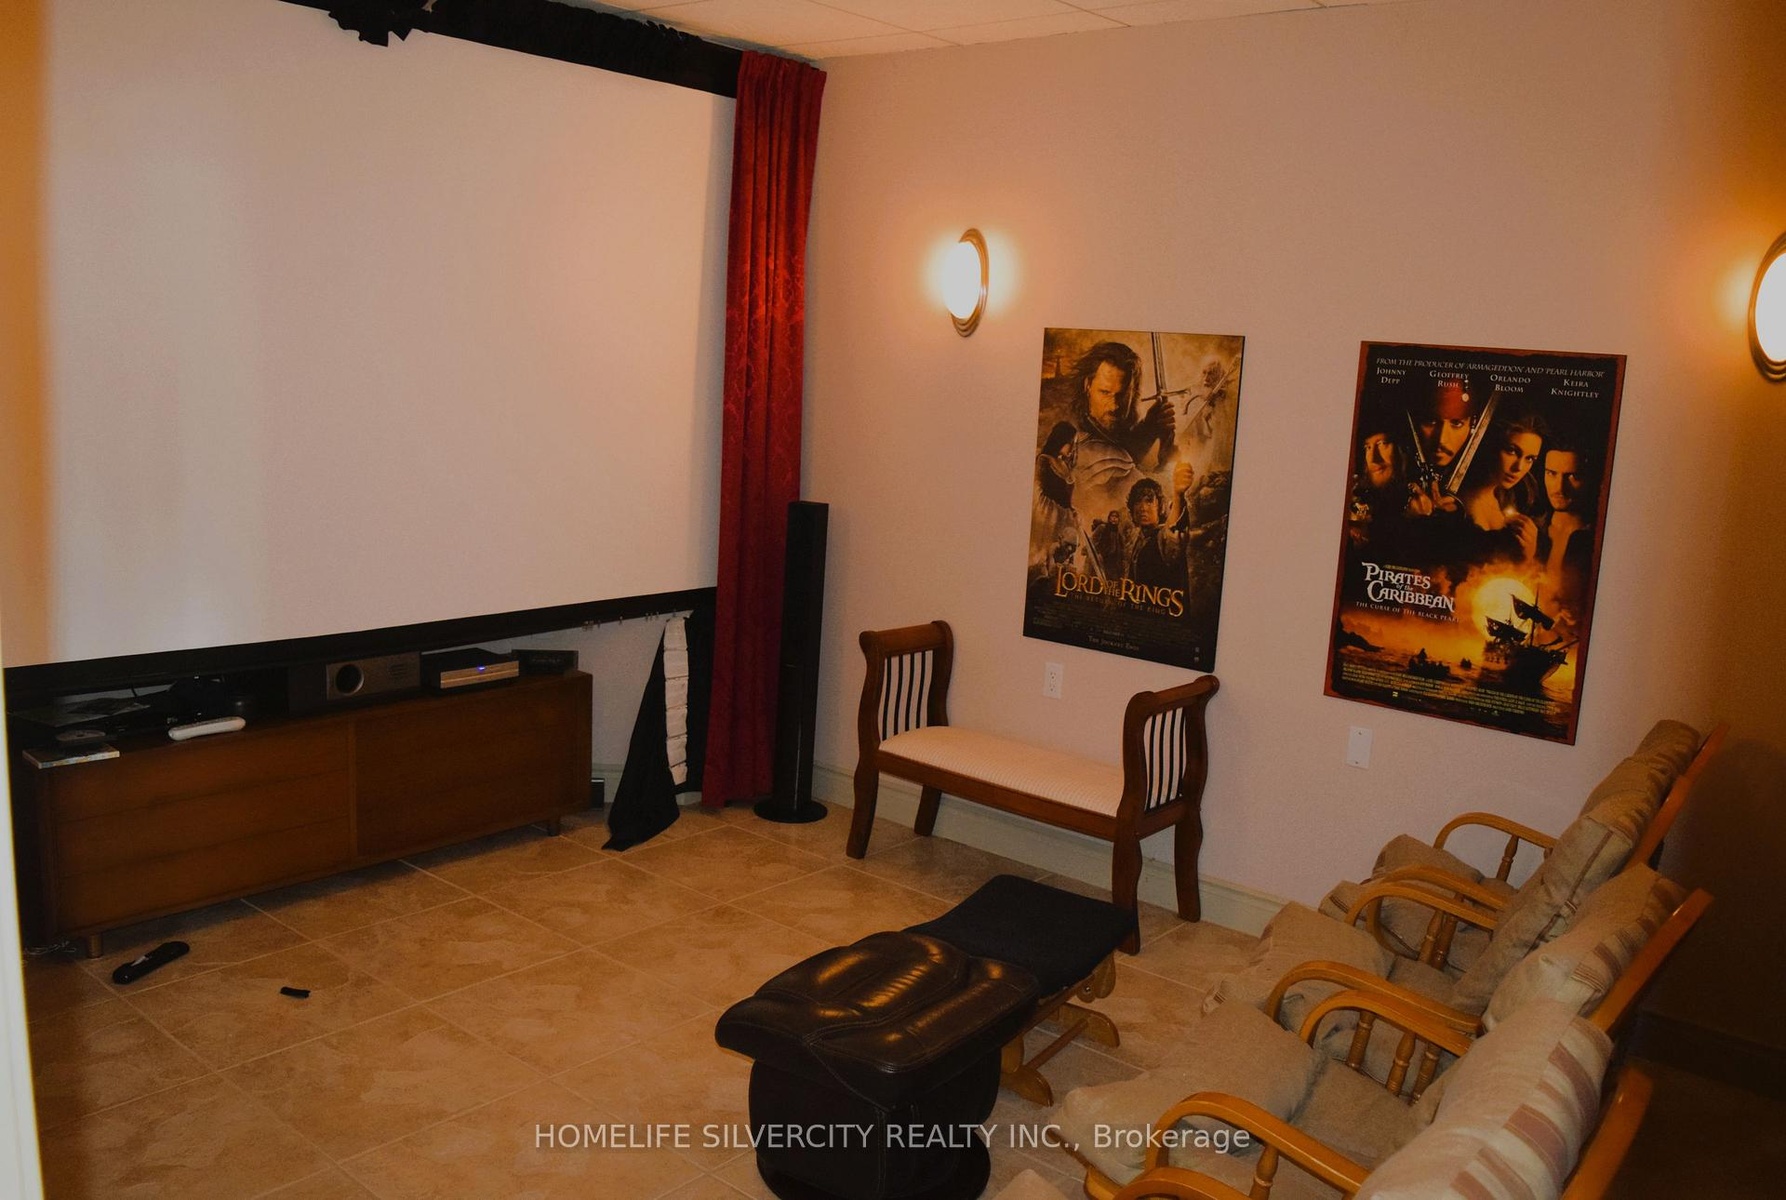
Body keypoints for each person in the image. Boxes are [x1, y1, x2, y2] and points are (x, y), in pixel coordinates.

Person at [1067, 341, 1176, 516]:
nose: (1114, 406)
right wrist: (1167, 461)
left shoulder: (1111, 426)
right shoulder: (1072, 437)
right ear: (1087, 385)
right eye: (1105, 392)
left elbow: (1120, 449)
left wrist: (1149, 428)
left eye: (1122, 395)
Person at [1459, 411, 1547, 562]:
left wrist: (1528, 555)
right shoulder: (1456, 502)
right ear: (1491, 445)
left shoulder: (1508, 503)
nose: (1519, 467)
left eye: (1530, 459)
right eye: (1512, 451)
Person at [1537, 434, 1597, 621]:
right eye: (1551, 473)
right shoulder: (1532, 529)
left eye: (1573, 476)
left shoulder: (1599, 540)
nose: (1559, 488)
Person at [1030, 420, 1083, 580]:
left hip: (1066, 521)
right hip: (1049, 519)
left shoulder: (1065, 466)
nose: (1072, 448)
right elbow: (1037, 493)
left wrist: (1072, 511)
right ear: (1060, 439)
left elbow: (1067, 498)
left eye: (1074, 444)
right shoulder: (1044, 460)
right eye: (1069, 443)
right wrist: (1057, 513)